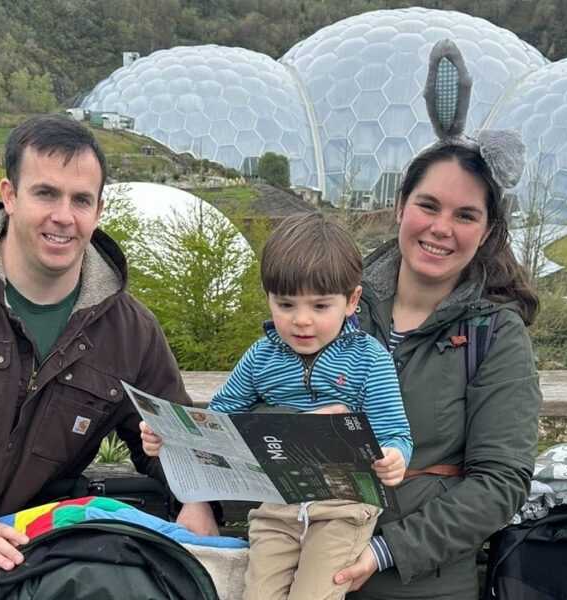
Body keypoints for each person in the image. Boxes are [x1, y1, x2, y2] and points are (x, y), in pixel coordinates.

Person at [330, 40, 543, 599]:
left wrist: (385, 552)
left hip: (418, 584)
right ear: (401, 206)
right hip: (304, 564)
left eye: (465, 214)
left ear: (488, 230)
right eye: (428, 205)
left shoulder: (493, 334)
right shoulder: (335, 303)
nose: (440, 228)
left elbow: (500, 484)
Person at [141, 213, 413, 600]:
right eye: (285, 304)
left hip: (343, 508)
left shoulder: (369, 360)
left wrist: (393, 456)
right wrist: (167, 435)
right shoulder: (262, 357)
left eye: (320, 306)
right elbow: (216, 418)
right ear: (268, 298)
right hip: (277, 503)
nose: (301, 321)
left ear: (351, 301)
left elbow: (395, 432)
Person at [0, 114, 216, 572]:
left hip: (29, 555)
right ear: (9, 195)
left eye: (80, 200)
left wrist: (196, 501)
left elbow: (170, 435)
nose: (63, 216)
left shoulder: (128, 332)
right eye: (45, 193)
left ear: (98, 210)